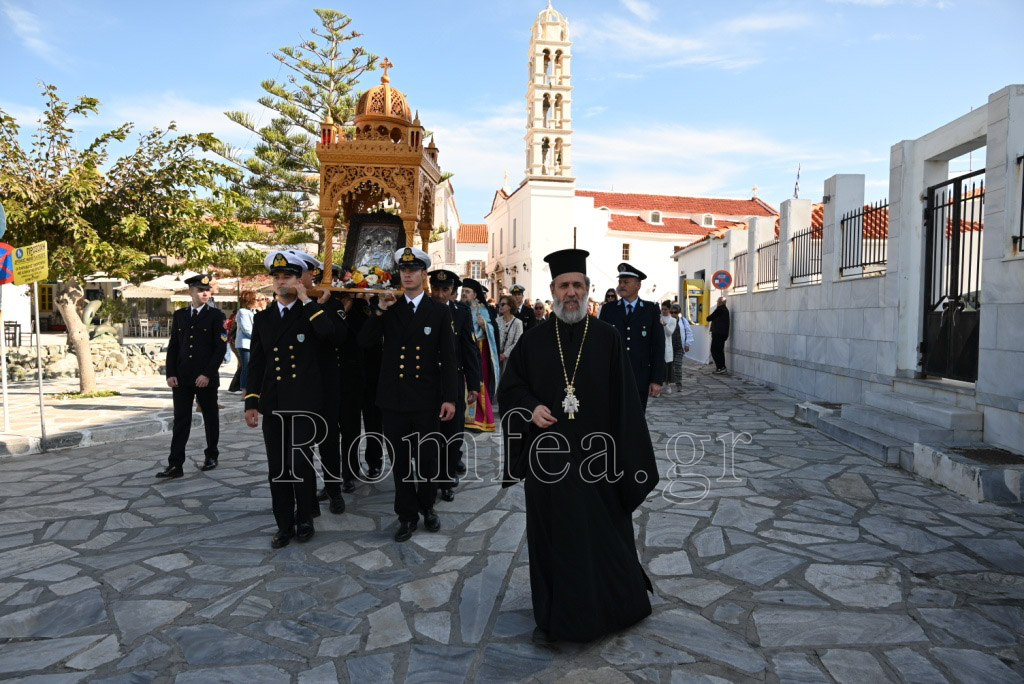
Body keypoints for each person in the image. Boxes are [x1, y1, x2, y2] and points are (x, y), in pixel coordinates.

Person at [498, 248, 659, 644]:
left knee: (602, 534)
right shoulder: (533, 340)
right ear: (553, 290)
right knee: (555, 538)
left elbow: (626, 403)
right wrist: (531, 407)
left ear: (587, 289)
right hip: (548, 462)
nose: (570, 292)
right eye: (563, 286)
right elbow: (510, 389)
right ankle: (557, 619)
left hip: (597, 460)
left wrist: (629, 461)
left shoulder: (607, 338)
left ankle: (613, 609)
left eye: (577, 285)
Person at [245, 251, 344, 547]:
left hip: (304, 403)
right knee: (278, 468)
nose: (281, 282)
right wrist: (251, 402)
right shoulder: (263, 318)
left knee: (300, 465)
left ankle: (304, 519)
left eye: (287, 276)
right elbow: (257, 363)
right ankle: (283, 524)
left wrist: (307, 301)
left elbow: (330, 335)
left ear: (299, 279)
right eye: (276, 277)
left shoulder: (309, 312)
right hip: (274, 404)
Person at [359, 247, 458, 542]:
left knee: (427, 460)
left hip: (426, 399)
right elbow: (364, 343)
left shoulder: (438, 311)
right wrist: (378, 310)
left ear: (424, 274)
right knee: (401, 461)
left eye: (413, 270)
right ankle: (406, 515)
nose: (408, 274)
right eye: (403, 270)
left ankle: (427, 506)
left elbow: (449, 358)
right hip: (394, 399)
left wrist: (450, 397)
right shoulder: (390, 308)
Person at [157, 274, 227, 479]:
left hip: (206, 378)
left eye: (207, 290)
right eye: (200, 290)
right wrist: (171, 373)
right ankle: (175, 464)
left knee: (210, 418)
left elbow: (220, 348)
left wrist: (207, 374)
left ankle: (211, 455)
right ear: (191, 292)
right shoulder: (180, 315)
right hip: (183, 377)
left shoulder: (217, 315)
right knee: (181, 420)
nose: (205, 293)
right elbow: (174, 346)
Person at [428, 269, 482, 502]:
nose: (440, 295)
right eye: (436, 289)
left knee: (453, 435)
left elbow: (469, 349)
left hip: (454, 382)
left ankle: (447, 478)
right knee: (431, 435)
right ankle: (430, 477)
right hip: (428, 383)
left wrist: (474, 385)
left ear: (453, 291)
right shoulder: (423, 309)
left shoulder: (461, 313)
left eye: (445, 290)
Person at [598, 263, 665, 409]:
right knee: (614, 417)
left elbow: (658, 346)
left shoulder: (651, 310)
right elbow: (601, 345)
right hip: (614, 376)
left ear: (638, 285)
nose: (621, 285)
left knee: (637, 417)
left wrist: (656, 379)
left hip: (640, 377)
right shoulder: (608, 309)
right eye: (620, 282)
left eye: (626, 282)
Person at [460, 278, 500, 432]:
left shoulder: (483, 310)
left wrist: (485, 325)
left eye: (467, 292)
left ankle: (481, 419)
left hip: (480, 350)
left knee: (478, 383)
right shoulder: (459, 308)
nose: (464, 294)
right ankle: (465, 417)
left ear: (475, 294)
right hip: (464, 350)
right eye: (463, 291)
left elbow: (493, 330)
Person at [228, 290, 257, 396]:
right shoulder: (242, 312)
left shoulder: (252, 311)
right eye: (255, 299)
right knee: (246, 366)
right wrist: (257, 337)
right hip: (245, 343)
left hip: (251, 343)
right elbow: (246, 329)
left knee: (249, 366)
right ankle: (244, 389)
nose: (257, 301)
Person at [496, 294, 524, 377]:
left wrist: (504, 355)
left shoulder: (518, 323)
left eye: (503, 304)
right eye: (499, 304)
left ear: (510, 306)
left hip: (510, 359)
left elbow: (517, 342)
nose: (500, 306)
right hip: (497, 358)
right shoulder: (497, 320)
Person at [707, 296, 730, 374]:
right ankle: (722, 367)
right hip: (723, 334)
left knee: (714, 350)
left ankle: (720, 367)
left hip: (718, 333)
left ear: (720, 302)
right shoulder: (725, 310)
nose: (717, 303)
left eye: (717, 301)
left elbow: (709, 318)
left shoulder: (719, 309)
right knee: (720, 351)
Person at [671, 303, 692, 390]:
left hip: (679, 347)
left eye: (675, 312)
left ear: (678, 313)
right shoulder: (667, 321)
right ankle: (667, 383)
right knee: (668, 366)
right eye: (671, 312)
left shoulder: (683, 321)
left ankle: (678, 384)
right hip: (669, 348)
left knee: (678, 365)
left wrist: (687, 344)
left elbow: (688, 332)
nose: (673, 314)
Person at [660, 301, 677, 395]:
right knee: (658, 366)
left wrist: (664, 325)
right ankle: (658, 385)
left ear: (669, 309)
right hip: (658, 345)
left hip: (667, 346)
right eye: (662, 309)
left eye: (665, 309)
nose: (663, 311)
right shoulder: (658, 318)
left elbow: (670, 333)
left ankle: (667, 384)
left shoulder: (673, 320)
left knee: (667, 366)